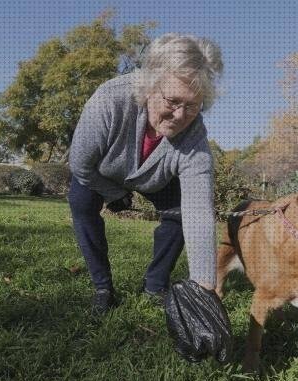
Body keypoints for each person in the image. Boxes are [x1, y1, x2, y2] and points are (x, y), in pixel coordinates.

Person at [68, 33, 223, 315]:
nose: (180, 115)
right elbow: (79, 164)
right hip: (101, 174)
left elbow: (199, 213)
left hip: (155, 180)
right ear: (151, 85)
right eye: (173, 101)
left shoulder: (195, 135)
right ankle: (103, 287)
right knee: (81, 201)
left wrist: (204, 290)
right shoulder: (109, 100)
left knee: (179, 213)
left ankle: (155, 285)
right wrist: (115, 194)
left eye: (192, 105)